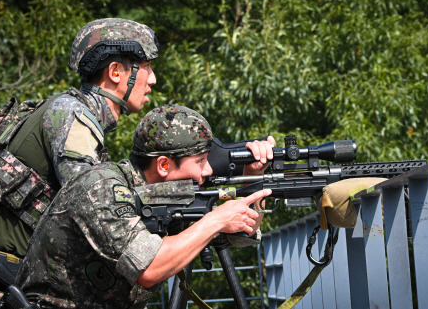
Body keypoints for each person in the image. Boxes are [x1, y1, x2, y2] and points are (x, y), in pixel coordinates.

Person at [14, 104, 275, 308]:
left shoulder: (162, 198)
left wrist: (254, 179)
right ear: (163, 165)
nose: (207, 170)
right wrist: (216, 219)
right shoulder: (102, 187)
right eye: (200, 161)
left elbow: (241, 233)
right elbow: (150, 268)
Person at [0, 18, 160, 306]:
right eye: (147, 67)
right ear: (116, 72)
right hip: (1, 287)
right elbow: (97, 209)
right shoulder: (72, 116)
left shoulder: (68, 112)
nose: (152, 79)